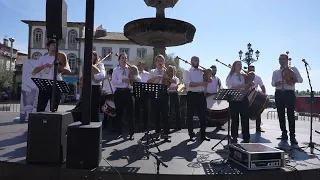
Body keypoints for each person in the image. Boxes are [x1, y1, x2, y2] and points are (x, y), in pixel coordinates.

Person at [271, 54, 303, 144]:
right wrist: (276, 83)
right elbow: (272, 83)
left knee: (290, 115)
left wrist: (291, 77)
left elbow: (300, 80)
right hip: (279, 92)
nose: (281, 61)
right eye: (280, 59)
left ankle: (292, 136)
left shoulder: (293, 69)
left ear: (287, 59)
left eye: (283, 59)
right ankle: (284, 133)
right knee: (280, 114)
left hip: (289, 93)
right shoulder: (275, 71)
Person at [32, 40, 71, 112]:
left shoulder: (61, 57)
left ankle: (52, 122)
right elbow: (34, 71)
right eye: (53, 45)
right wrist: (44, 66)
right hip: (45, 84)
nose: (54, 47)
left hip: (57, 84)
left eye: (56, 45)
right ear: (48, 46)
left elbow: (68, 71)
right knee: (40, 107)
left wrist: (58, 66)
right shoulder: (42, 58)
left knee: (54, 108)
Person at [112, 52, 141, 140]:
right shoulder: (115, 70)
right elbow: (114, 82)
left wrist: (134, 75)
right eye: (122, 58)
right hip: (119, 93)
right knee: (119, 114)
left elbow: (139, 79)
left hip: (129, 92)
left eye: (125, 58)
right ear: (119, 60)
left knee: (130, 114)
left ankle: (131, 133)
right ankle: (119, 132)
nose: (124, 60)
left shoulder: (130, 69)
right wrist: (122, 80)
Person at [183, 56, 210, 142]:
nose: (197, 62)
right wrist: (203, 83)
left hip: (201, 96)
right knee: (190, 116)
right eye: (196, 60)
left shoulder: (201, 73)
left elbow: (207, 81)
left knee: (203, 116)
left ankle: (203, 135)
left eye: (198, 60)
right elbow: (189, 84)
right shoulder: (187, 71)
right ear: (191, 62)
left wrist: (208, 79)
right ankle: (191, 135)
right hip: (192, 95)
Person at [75, 51, 105, 122]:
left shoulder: (100, 65)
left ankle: (95, 124)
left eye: (92, 55)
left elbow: (102, 75)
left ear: (95, 57)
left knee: (95, 108)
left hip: (96, 88)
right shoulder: (85, 65)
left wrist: (93, 76)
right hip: (86, 88)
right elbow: (81, 76)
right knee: (85, 107)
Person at [226, 60, 252, 143]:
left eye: (241, 64)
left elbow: (247, 87)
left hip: (243, 97)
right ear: (234, 66)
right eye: (238, 65)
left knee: (245, 118)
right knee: (235, 118)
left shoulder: (244, 76)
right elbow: (231, 86)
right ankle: (234, 137)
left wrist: (248, 85)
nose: (240, 66)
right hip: (234, 98)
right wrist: (242, 85)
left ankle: (246, 137)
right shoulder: (230, 76)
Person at [147, 54, 171, 142]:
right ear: (155, 63)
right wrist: (156, 77)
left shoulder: (167, 71)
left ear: (164, 62)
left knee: (166, 115)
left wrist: (166, 76)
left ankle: (166, 134)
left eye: (161, 60)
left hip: (164, 92)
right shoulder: (152, 71)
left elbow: (171, 81)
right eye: (158, 61)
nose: (160, 62)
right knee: (156, 114)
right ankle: (157, 132)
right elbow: (148, 81)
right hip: (155, 93)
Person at [248, 65, 266, 133]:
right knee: (245, 113)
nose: (251, 71)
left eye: (253, 70)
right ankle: (245, 129)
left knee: (258, 111)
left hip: (254, 95)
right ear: (248, 70)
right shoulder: (245, 77)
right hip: (246, 95)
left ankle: (258, 127)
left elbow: (262, 86)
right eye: (250, 70)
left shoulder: (258, 77)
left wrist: (264, 94)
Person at [207, 65, 224, 130]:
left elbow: (220, 87)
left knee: (217, 111)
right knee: (207, 111)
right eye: (213, 70)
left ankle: (218, 125)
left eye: (215, 70)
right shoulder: (206, 77)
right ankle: (207, 124)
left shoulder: (217, 79)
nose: (215, 71)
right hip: (208, 95)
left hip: (215, 96)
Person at [135, 61, 150, 130]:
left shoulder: (147, 74)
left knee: (145, 109)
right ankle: (137, 124)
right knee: (136, 109)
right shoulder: (135, 74)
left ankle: (145, 125)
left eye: (141, 65)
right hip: (137, 91)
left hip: (145, 91)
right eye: (139, 65)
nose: (140, 67)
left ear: (144, 66)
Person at [167, 65, 181, 130]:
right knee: (169, 111)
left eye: (172, 70)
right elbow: (167, 88)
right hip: (169, 95)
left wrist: (173, 87)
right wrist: (172, 87)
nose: (171, 72)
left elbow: (178, 86)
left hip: (176, 95)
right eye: (170, 70)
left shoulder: (176, 78)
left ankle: (178, 125)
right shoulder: (166, 78)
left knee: (177, 110)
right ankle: (168, 126)